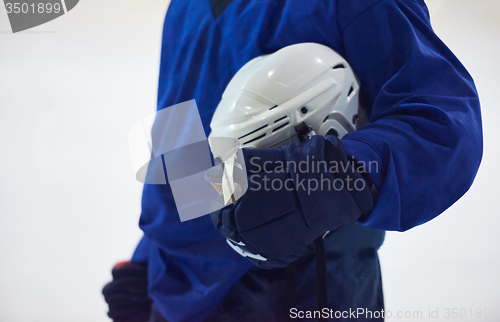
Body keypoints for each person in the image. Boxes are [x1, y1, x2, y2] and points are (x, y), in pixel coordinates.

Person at [102, 0, 483, 321]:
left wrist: (328, 179)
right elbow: (180, 136)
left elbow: (441, 125)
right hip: (181, 300)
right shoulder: (187, 7)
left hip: (306, 288)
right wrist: (151, 261)